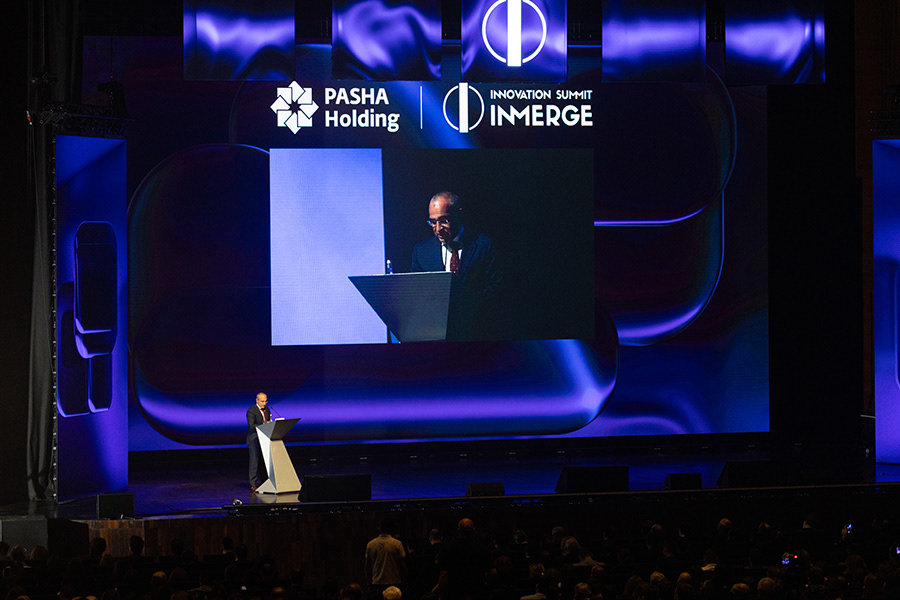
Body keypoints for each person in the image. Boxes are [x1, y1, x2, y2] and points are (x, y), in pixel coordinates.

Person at [410, 192, 502, 339]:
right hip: (435, 335)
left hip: (477, 333)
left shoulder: (484, 245)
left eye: (444, 221)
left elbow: (497, 288)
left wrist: (465, 306)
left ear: (459, 213)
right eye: (433, 222)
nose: (438, 229)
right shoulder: (422, 252)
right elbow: (415, 293)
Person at [365, 517, 406, 600]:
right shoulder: (397, 544)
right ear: (392, 528)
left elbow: (367, 566)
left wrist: (369, 583)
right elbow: (402, 565)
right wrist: (404, 581)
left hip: (377, 581)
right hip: (394, 580)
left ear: (380, 528)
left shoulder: (371, 544)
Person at [247, 392, 272, 492]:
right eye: (262, 401)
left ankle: (265, 481)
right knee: (254, 462)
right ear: (257, 400)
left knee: (264, 461)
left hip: (264, 438)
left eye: (265, 401)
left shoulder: (267, 409)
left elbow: (268, 420)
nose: (264, 403)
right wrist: (265, 424)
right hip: (254, 439)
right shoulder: (251, 411)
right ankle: (253, 484)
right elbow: (252, 426)